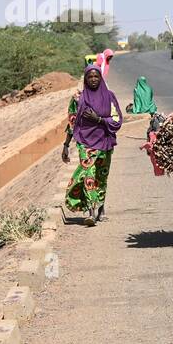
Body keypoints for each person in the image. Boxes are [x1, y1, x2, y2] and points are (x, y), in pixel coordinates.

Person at [63, 63, 122, 224]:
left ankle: (101, 208)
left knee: (101, 176)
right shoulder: (78, 99)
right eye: (90, 77)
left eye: (96, 76)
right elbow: (72, 122)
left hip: (105, 140)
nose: (93, 79)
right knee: (88, 173)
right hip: (85, 141)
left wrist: (99, 120)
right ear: (86, 79)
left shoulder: (109, 96)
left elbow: (117, 119)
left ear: (100, 78)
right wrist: (66, 145)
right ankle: (91, 211)